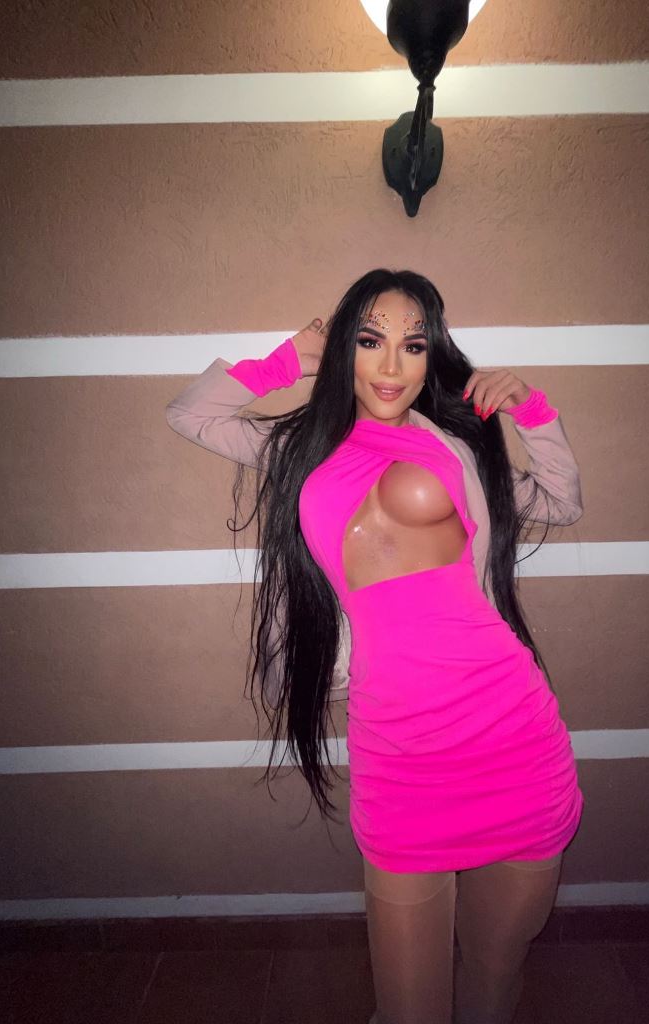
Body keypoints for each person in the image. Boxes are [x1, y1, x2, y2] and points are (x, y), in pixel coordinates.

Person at [165, 268, 584, 1024]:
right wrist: (293, 357)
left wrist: (532, 410)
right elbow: (191, 413)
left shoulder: (460, 448)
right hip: (398, 750)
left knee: (493, 979)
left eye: (413, 346)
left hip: (511, 735)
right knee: (407, 1008)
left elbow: (562, 499)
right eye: (369, 341)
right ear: (345, 352)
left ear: (432, 357)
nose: (391, 365)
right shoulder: (299, 448)